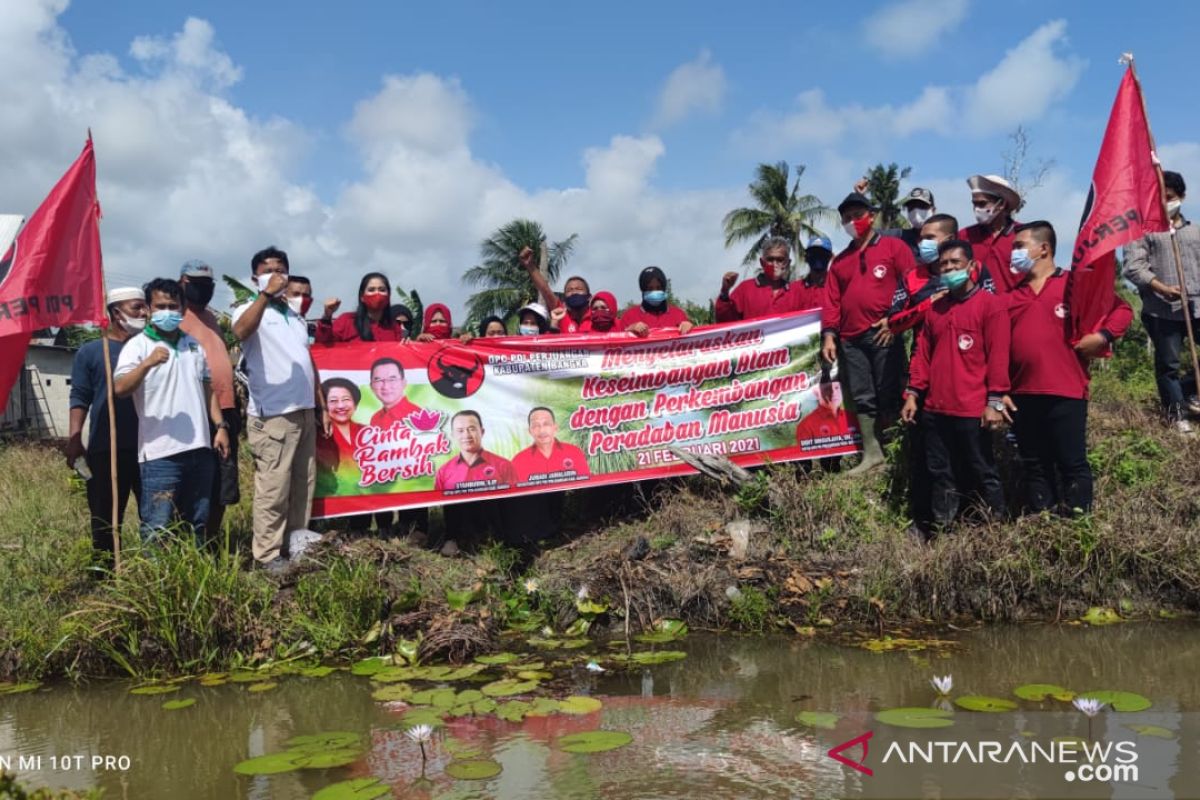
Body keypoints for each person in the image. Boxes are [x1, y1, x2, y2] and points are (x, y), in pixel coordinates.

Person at [1005, 221, 1132, 515]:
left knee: (1071, 463)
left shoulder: (1074, 285)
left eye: (1019, 246)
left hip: (1066, 390)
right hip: (1022, 394)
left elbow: (1122, 310)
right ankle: (1043, 525)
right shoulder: (1010, 296)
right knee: (1034, 464)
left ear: (1044, 249)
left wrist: (1102, 337)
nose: (1014, 253)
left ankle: (1077, 526)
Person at [901, 240, 1011, 533]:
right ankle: (943, 532)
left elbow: (999, 358)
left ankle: (993, 531)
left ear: (972, 266)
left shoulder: (991, 306)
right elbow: (922, 355)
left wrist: (995, 402)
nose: (949, 268)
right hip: (935, 409)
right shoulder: (935, 309)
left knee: (981, 470)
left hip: (972, 409)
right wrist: (913, 393)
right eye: (944, 264)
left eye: (955, 263)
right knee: (940, 473)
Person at [232, 246, 326, 569]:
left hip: (304, 411)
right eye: (268, 269)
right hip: (273, 416)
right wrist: (264, 297)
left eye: (281, 269)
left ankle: (295, 544)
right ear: (255, 277)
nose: (276, 275)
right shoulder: (248, 309)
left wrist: (320, 404)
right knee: (274, 489)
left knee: (303, 484)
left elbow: (307, 361)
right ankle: (267, 555)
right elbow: (240, 332)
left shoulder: (295, 317)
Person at [114, 278, 230, 543]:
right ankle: (154, 581)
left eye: (173, 306)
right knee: (157, 526)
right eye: (161, 306)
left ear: (182, 308)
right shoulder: (138, 345)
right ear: (149, 309)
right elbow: (120, 388)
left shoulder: (193, 345)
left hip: (199, 449)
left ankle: (194, 576)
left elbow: (207, 388)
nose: (167, 311)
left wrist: (220, 426)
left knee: (197, 522)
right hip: (160, 454)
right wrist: (146, 364)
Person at [821, 192, 916, 475]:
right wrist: (829, 335)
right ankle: (872, 454)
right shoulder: (840, 262)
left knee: (890, 392)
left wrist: (895, 320)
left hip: (884, 333)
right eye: (847, 218)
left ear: (871, 216)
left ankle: (899, 453)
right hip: (851, 338)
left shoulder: (893, 247)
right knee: (863, 395)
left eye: (857, 215)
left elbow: (911, 285)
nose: (853, 221)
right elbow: (832, 301)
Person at [66, 287, 147, 565]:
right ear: (116, 312)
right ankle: (105, 575)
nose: (144, 313)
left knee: (156, 515)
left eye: (145, 307)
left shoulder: (151, 348)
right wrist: (75, 438)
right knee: (105, 518)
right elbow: (80, 396)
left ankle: (156, 574)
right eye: (136, 307)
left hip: (150, 447)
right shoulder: (91, 352)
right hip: (107, 447)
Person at [1122, 170, 1200, 433]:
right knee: (1168, 366)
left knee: (1179, 372)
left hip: (1197, 308)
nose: (1165, 203)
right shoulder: (1142, 231)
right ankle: (1177, 416)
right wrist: (1161, 287)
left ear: (1182, 197)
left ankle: (1189, 391)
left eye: (1170, 197)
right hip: (1161, 310)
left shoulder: (1195, 232)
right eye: (1159, 198)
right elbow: (1133, 266)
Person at [178, 259, 241, 543]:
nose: (203, 291)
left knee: (222, 482)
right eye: (196, 284)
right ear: (182, 283)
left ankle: (211, 541)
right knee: (194, 482)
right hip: (196, 409)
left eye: (208, 285)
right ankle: (189, 540)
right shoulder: (176, 316)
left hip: (226, 409)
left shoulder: (212, 318)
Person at [434, 410, 518, 555]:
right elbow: (438, 501)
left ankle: (498, 541)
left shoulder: (503, 465)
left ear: (482, 431)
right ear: (453, 435)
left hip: (494, 527)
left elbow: (515, 501)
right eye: (460, 431)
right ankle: (452, 540)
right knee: (453, 493)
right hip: (458, 525)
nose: (466, 435)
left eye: (471, 429)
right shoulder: (444, 471)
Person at [715, 235, 822, 322]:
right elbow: (725, 321)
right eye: (770, 259)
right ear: (762, 262)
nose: (774, 264)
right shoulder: (745, 289)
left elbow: (815, 317)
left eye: (780, 260)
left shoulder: (796, 292)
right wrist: (725, 291)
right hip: (755, 348)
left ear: (787, 263)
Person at [960, 174, 1024, 293]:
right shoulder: (964, 236)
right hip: (975, 308)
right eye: (974, 204)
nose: (977, 209)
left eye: (982, 204)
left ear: (1001, 204)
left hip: (1012, 308)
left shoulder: (1023, 235)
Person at [315, 272, 405, 344]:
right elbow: (323, 346)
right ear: (362, 296)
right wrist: (326, 317)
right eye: (371, 290)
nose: (377, 293)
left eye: (382, 290)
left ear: (389, 295)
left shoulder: (394, 327)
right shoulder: (346, 321)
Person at [512, 407, 591, 483]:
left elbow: (585, 485)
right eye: (536, 426)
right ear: (530, 431)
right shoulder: (518, 461)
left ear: (555, 427)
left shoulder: (574, 453)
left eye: (546, 424)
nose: (542, 430)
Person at [316, 378, 364, 490]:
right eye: (333, 401)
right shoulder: (319, 435)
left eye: (346, 399)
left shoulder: (369, 432)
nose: (341, 406)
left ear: (355, 404)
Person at [620, 267, 694, 336]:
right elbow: (617, 341)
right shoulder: (629, 316)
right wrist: (630, 330)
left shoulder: (678, 315)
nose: (654, 292)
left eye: (658, 288)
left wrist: (689, 327)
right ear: (643, 290)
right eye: (650, 288)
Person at [368, 357, 425, 428]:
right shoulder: (375, 418)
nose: (385, 386)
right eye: (378, 380)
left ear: (404, 383)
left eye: (392, 379)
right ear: (371, 386)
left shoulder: (418, 417)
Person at [794, 381, 848, 447]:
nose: (833, 393)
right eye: (827, 389)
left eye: (837, 388)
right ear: (817, 394)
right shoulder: (806, 426)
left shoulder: (852, 417)